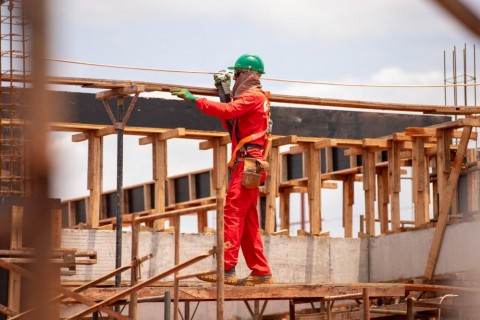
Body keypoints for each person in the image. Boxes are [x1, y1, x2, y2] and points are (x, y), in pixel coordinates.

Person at [170, 54, 273, 286]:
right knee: (247, 221)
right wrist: (222, 90)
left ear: (246, 74)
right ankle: (261, 271)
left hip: (248, 163)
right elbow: (231, 122)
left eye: (236, 74)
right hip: (249, 163)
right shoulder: (256, 99)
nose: (235, 78)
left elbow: (227, 112)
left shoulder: (253, 97)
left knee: (233, 214)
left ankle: (226, 268)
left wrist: (194, 100)